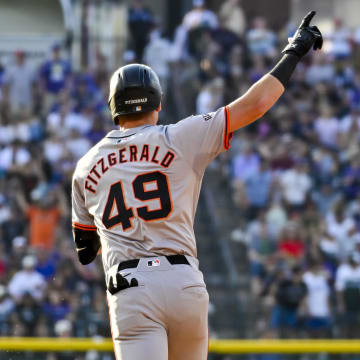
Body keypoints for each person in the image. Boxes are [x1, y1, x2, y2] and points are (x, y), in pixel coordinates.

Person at [71, 12, 322, 360]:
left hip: (130, 287)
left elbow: (85, 250)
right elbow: (255, 105)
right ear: (158, 103)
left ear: (114, 108)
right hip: (182, 280)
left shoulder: (85, 165)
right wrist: (293, 52)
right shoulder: (180, 136)